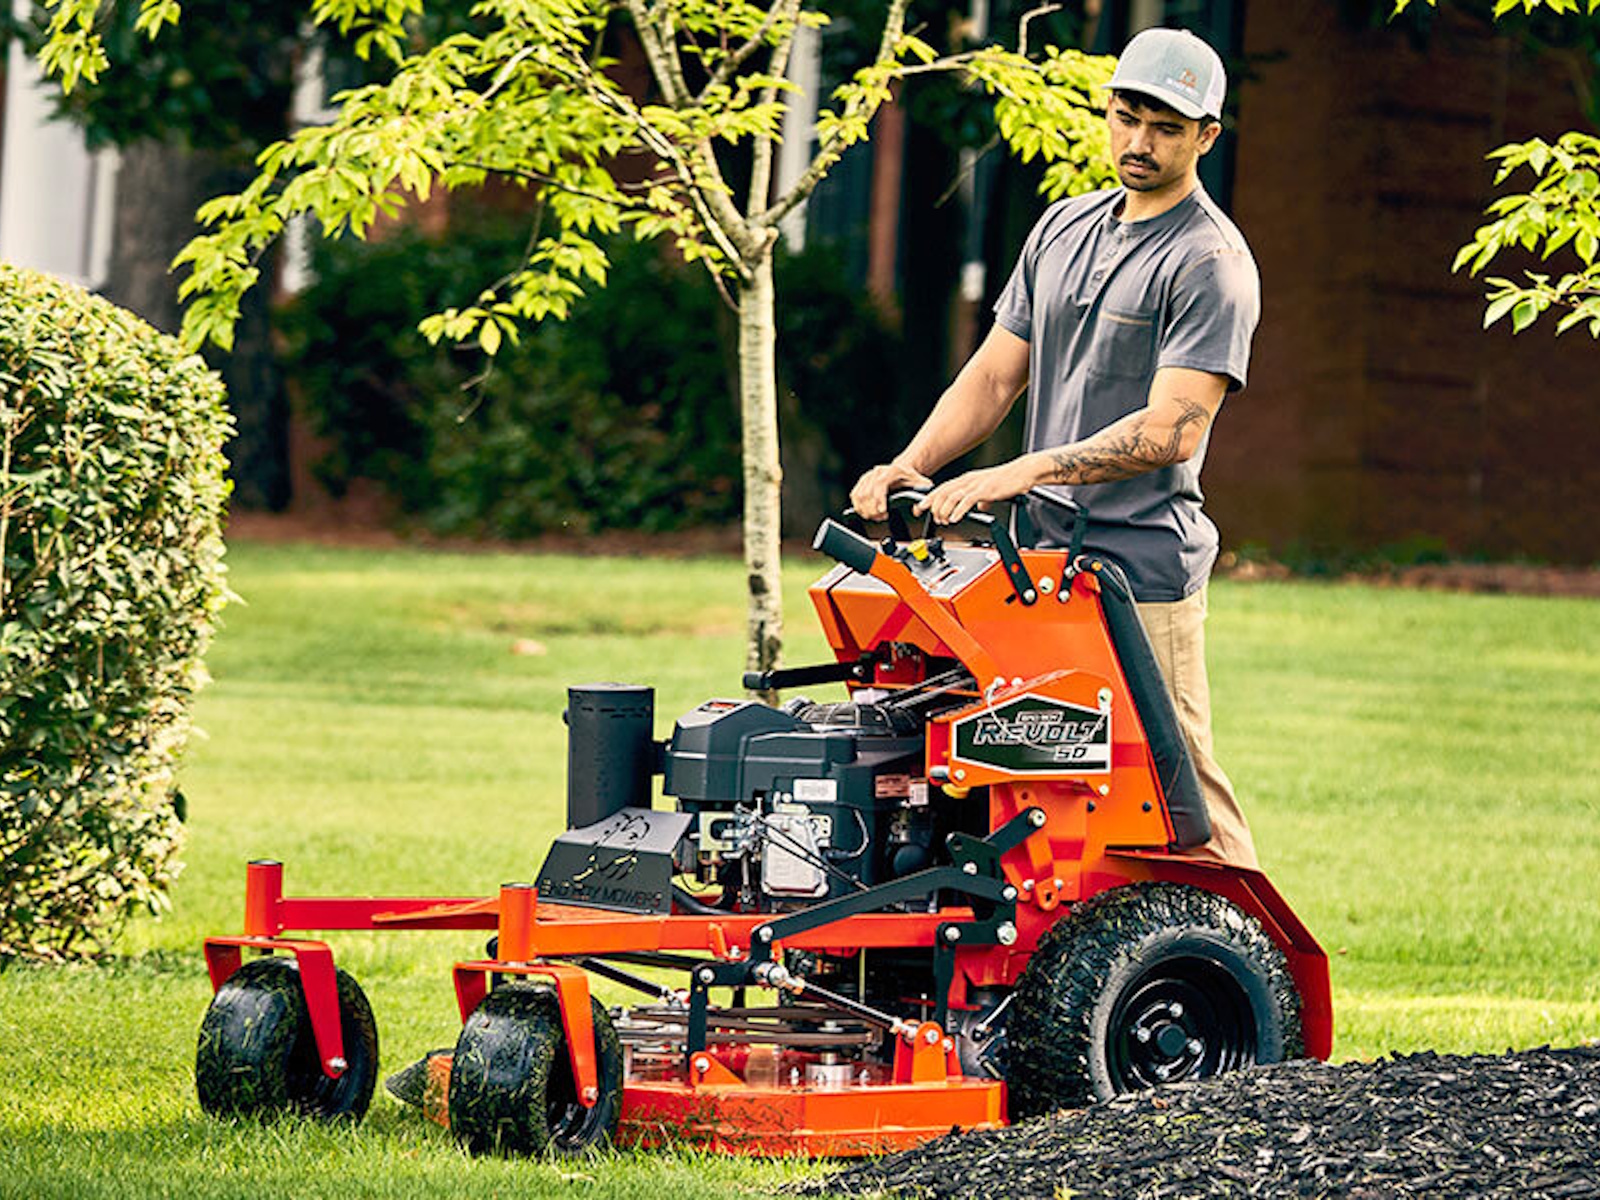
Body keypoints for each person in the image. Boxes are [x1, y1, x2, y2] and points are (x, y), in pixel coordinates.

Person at [849, 27, 1259, 869]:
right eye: (1127, 117)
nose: (1140, 142)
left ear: (1206, 137)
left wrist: (1023, 470)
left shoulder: (1209, 262)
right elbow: (994, 377)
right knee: (1039, 782)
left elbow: (1171, 429)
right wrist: (913, 464)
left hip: (1139, 572)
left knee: (1179, 792)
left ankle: (1252, 948)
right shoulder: (1064, 228)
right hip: (1039, 567)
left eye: (1166, 128)